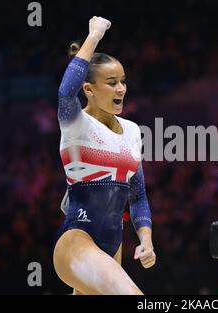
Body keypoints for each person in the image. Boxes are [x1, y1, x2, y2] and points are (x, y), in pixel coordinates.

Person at [53, 16, 155, 295]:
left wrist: (146, 239)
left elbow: (138, 194)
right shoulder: (75, 122)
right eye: (111, 82)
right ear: (89, 89)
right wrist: (94, 36)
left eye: (122, 81)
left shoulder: (133, 131)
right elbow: (65, 92)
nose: (121, 88)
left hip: (113, 247)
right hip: (77, 242)